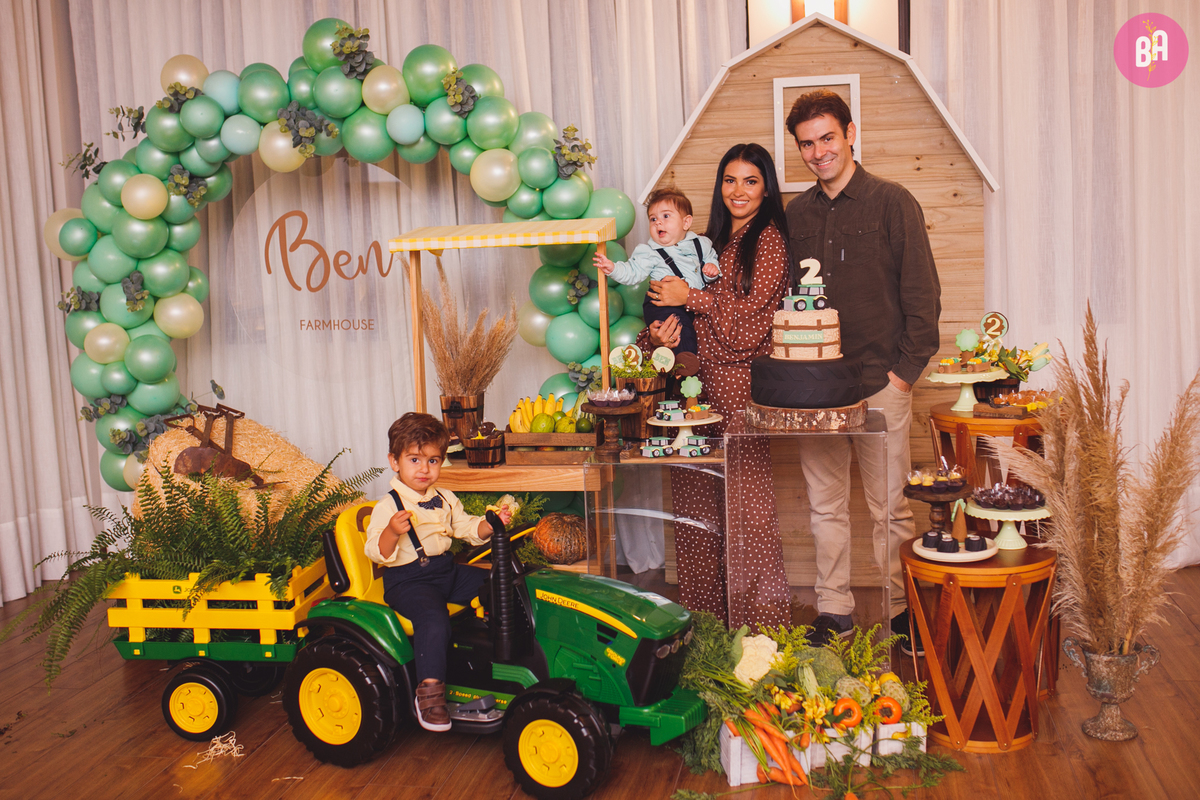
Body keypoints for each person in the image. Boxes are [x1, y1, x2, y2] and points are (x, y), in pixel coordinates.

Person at [783, 89, 941, 652]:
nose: (819, 151)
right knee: (824, 506)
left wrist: (903, 375)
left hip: (880, 381)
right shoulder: (795, 214)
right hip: (815, 391)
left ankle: (902, 614)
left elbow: (923, 297)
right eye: (807, 143)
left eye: (828, 137)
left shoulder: (892, 202)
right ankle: (835, 610)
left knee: (891, 511)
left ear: (851, 134)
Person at [639, 143, 792, 627]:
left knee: (748, 513)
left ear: (766, 186)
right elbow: (671, 313)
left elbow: (752, 329)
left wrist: (694, 298)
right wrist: (655, 339)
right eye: (730, 180)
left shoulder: (768, 242)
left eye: (750, 180)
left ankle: (762, 634)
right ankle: (703, 630)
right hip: (689, 387)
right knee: (694, 514)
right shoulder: (708, 242)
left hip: (736, 387)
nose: (738, 190)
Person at [364, 412, 512, 731]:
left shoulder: (444, 498)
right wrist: (391, 531)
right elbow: (375, 551)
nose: (424, 468)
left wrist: (489, 524)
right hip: (408, 581)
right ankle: (429, 694)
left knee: (495, 584)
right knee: (433, 619)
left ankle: (499, 652)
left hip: (446, 571)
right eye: (414, 459)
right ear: (394, 461)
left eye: (433, 461)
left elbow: (467, 528)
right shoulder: (388, 505)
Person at [594, 187, 721, 355]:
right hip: (662, 303)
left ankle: (684, 364)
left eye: (666, 216)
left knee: (692, 329)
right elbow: (633, 271)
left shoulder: (701, 243)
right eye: (653, 219)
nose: (658, 222)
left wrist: (711, 270)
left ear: (686, 222)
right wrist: (613, 268)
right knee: (676, 329)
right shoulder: (649, 252)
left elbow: (711, 259)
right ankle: (684, 362)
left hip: (691, 302)